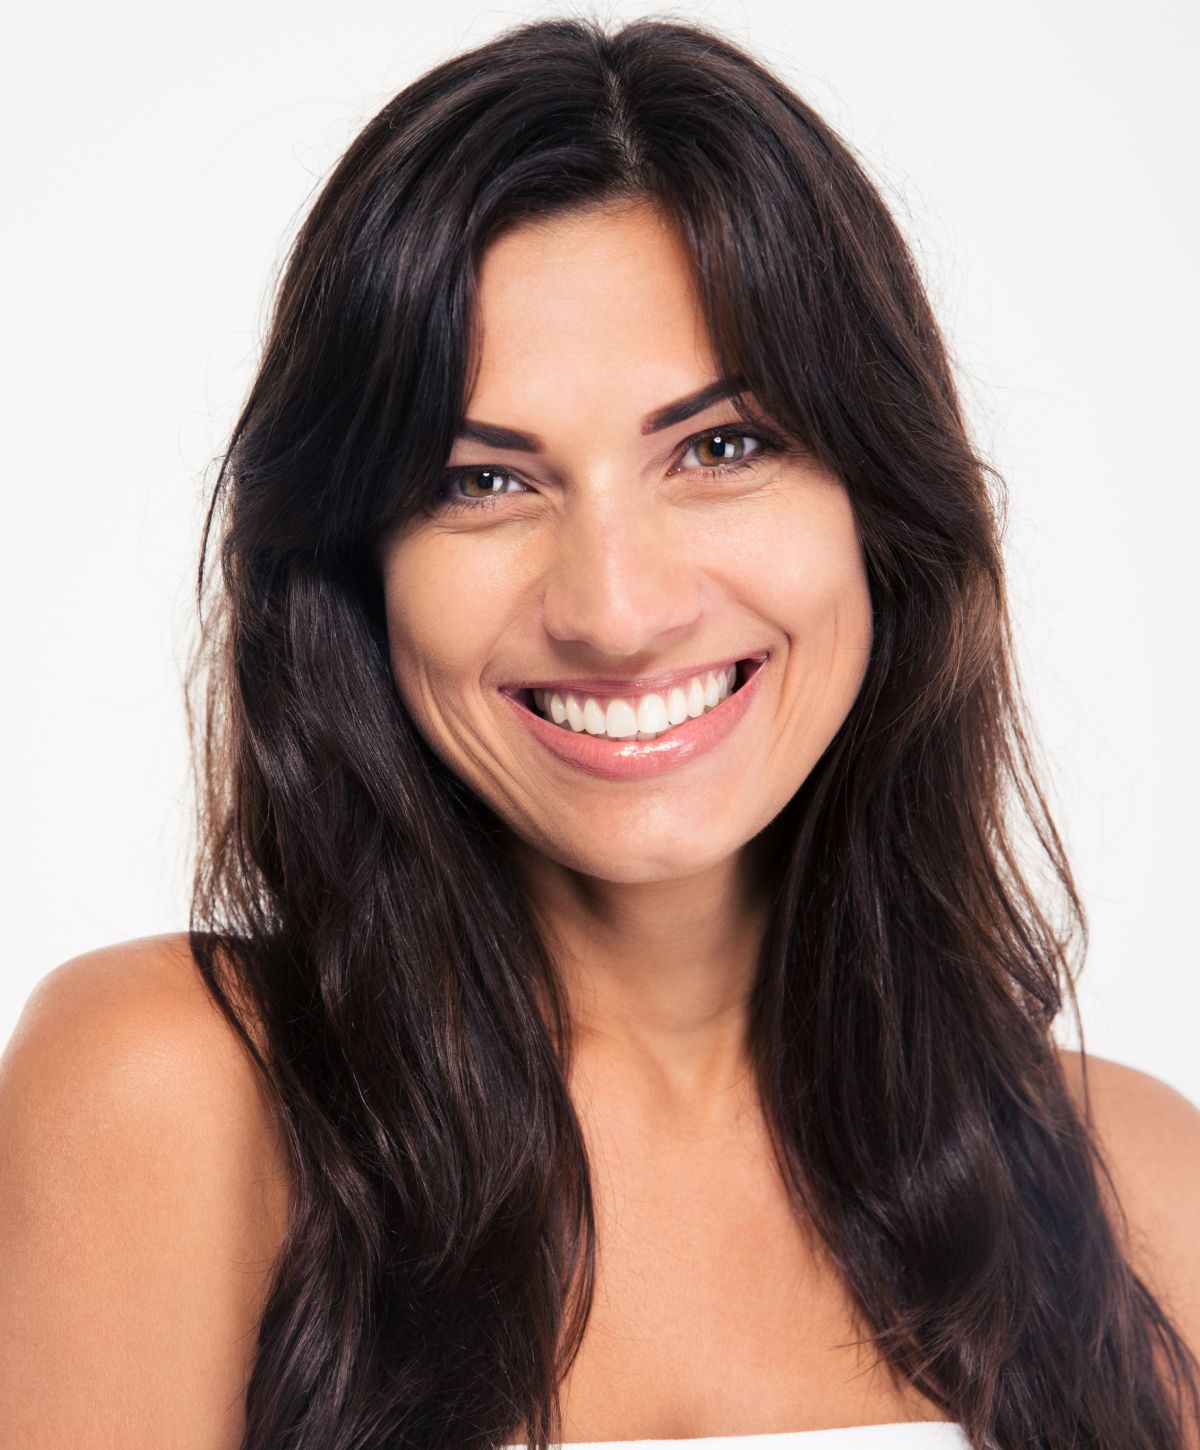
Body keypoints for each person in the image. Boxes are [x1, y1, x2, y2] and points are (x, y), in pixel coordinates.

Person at [1, 14, 1198, 1450]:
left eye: (721, 447)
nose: (617, 613)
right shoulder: (170, 1093)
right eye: (481, 481)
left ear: (879, 511)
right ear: (357, 570)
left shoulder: (1145, 1190)